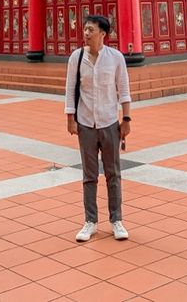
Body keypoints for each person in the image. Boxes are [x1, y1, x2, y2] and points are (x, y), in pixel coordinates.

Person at [64, 15, 132, 243]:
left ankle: (117, 220)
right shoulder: (77, 57)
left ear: (103, 33)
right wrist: (70, 119)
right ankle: (90, 222)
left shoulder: (115, 58)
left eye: (90, 29)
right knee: (89, 175)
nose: (85, 33)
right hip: (85, 124)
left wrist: (127, 119)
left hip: (110, 123)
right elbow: (69, 89)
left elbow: (123, 89)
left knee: (113, 173)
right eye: (84, 29)